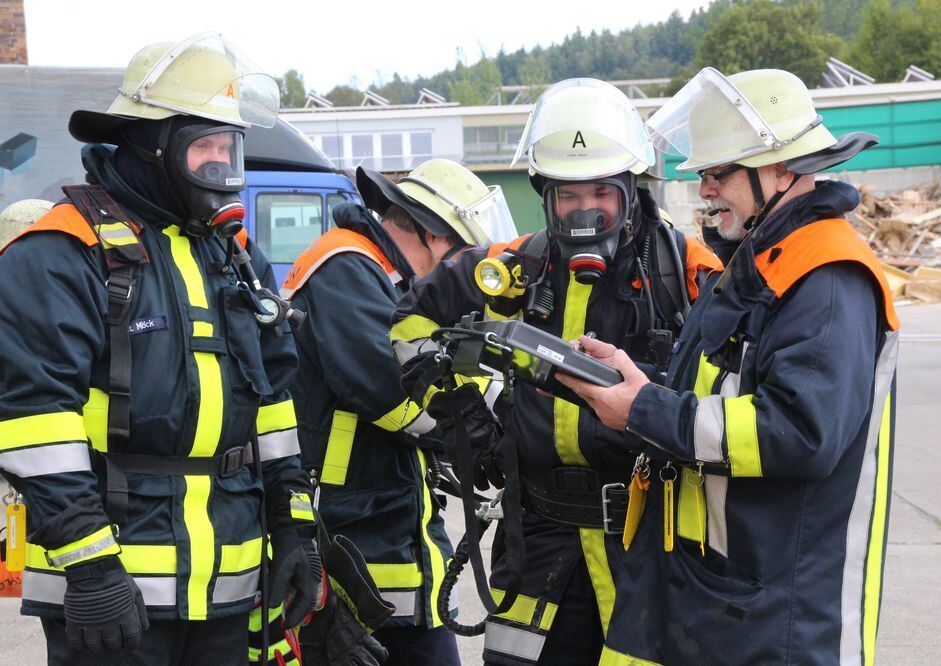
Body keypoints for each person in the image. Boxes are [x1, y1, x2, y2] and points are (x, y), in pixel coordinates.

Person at [556, 67, 899, 665]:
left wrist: (644, 408)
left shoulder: (827, 278)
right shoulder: (757, 263)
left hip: (775, 616)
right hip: (718, 597)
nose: (706, 189)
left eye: (718, 174)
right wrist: (638, 381)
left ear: (781, 169)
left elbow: (799, 432)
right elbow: (717, 392)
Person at [0, 33, 324, 664]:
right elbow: (32, 418)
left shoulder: (234, 258)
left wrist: (294, 528)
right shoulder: (60, 252)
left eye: (228, 149)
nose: (220, 168)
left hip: (228, 591)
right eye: (203, 147)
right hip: (110, 596)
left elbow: (274, 404)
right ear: (150, 147)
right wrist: (90, 567)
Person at [389, 78, 721, 665]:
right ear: (546, 197)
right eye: (569, 195)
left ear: (629, 191)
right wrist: (471, 415)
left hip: (649, 542)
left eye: (601, 192)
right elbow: (410, 330)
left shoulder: (687, 272)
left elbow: (724, 394)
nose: (584, 210)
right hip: (536, 544)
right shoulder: (510, 267)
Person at [279, 159, 517, 665]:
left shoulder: (382, 277)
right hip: (349, 538)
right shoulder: (344, 267)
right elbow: (397, 393)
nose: (459, 280)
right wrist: (491, 434)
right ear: (433, 236)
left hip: (386, 531)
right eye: (461, 259)